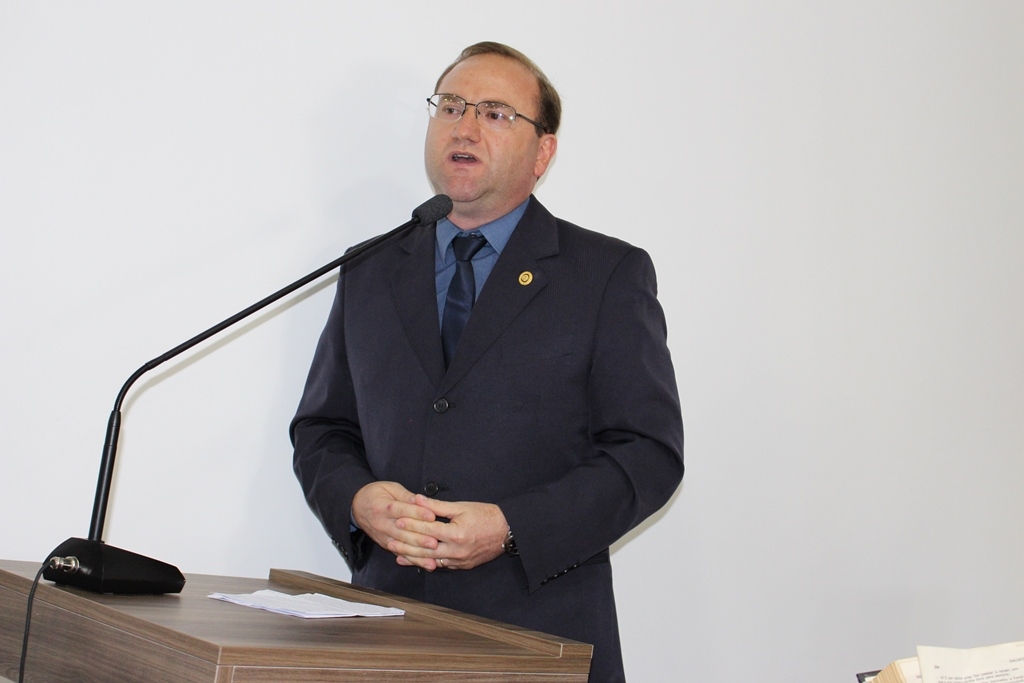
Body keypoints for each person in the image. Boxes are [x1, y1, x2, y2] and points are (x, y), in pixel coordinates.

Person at [291, 41, 683, 683]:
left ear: (543, 152)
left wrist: (511, 527)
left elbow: (648, 453)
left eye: (496, 113)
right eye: (450, 107)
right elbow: (322, 429)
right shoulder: (371, 267)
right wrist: (358, 501)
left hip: (539, 638)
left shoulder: (607, 274)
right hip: (385, 634)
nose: (465, 128)